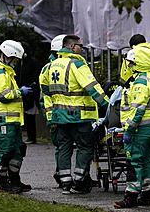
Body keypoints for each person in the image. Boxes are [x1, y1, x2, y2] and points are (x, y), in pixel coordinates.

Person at [43, 35, 108, 194]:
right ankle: (79, 181)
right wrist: (108, 105)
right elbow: (92, 87)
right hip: (80, 117)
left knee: (64, 147)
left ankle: (65, 183)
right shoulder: (77, 64)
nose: (82, 49)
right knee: (85, 147)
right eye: (80, 46)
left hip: (60, 117)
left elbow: (44, 88)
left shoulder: (51, 65)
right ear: (72, 47)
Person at [114, 44, 150, 208]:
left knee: (134, 161)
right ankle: (149, 195)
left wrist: (130, 128)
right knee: (149, 161)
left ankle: (131, 196)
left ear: (140, 63)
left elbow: (138, 108)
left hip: (140, 128)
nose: (128, 66)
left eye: (131, 63)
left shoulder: (141, 82)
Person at [0, 40, 33, 194]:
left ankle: (14, 179)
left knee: (18, 149)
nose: (16, 63)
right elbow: (5, 96)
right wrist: (21, 92)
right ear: (8, 57)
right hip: (5, 119)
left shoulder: (6, 72)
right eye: (15, 60)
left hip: (13, 119)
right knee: (6, 151)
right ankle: (3, 181)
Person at [39, 34, 66, 187]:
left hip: (58, 114)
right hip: (58, 114)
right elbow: (45, 96)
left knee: (63, 146)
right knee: (62, 146)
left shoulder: (48, 68)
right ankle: (61, 173)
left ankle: (62, 173)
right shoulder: (53, 68)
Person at [15, 41, 41, 144]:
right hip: (21, 91)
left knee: (30, 115)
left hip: (30, 92)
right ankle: (26, 135)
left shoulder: (32, 62)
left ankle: (32, 136)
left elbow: (35, 77)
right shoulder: (18, 63)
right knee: (24, 115)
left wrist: (33, 90)